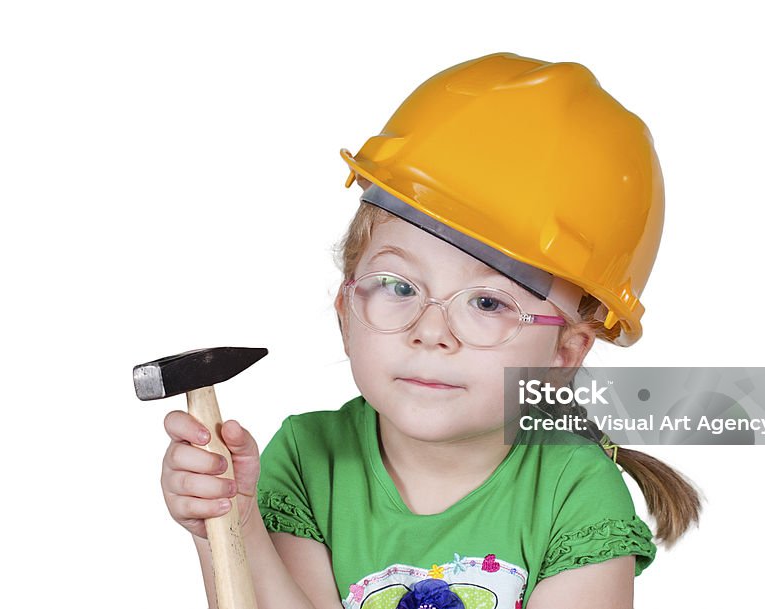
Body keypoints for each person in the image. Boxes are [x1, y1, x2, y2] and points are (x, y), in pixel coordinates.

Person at [160, 52, 702, 609]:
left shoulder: (578, 493)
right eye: (398, 286)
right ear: (345, 311)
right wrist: (232, 525)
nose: (430, 332)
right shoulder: (307, 458)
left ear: (563, 352)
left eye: (488, 302)